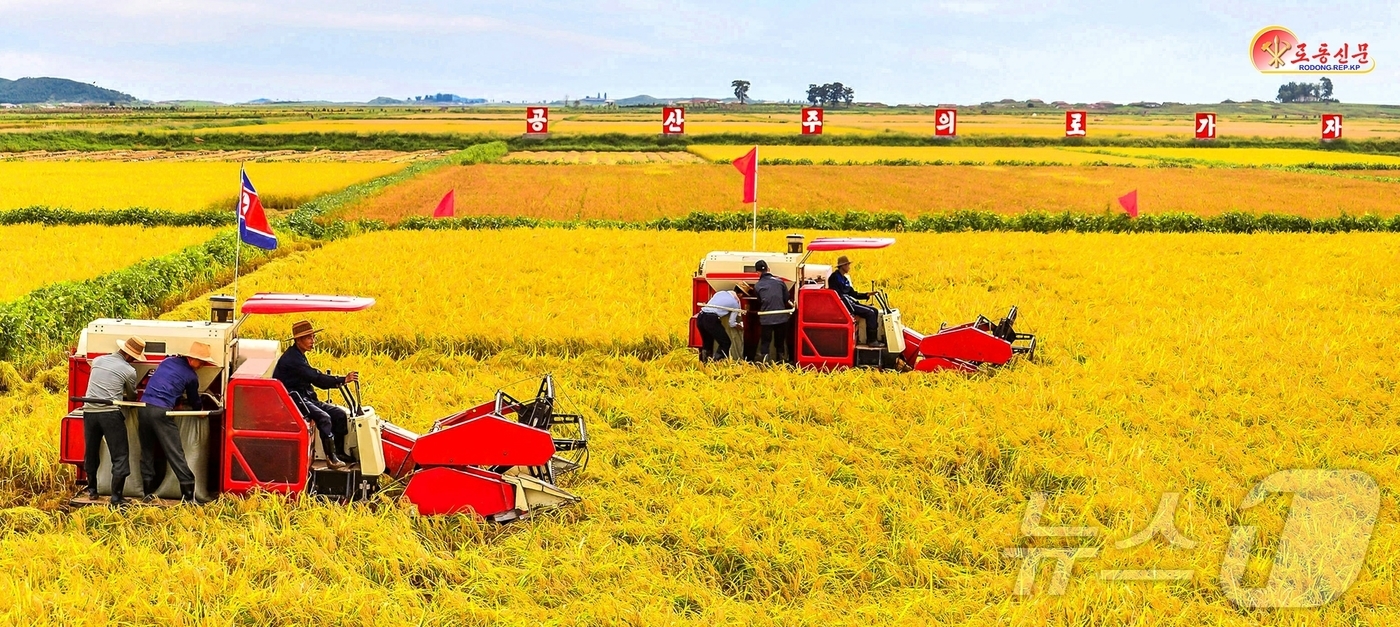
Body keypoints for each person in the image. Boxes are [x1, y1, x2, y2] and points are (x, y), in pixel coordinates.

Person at [273, 320, 358, 469]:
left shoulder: (299, 355)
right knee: (324, 418)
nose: (313, 341)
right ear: (298, 340)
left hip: (305, 397)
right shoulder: (292, 359)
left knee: (339, 415)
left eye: (313, 337)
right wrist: (342, 380)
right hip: (293, 399)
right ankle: (331, 459)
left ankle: (338, 452)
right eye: (309, 338)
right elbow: (316, 378)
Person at [139, 341, 215, 503]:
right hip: (161, 412)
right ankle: (189, 495)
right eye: (201, 361)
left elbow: (165, 383)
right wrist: (200, 412)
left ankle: (147, 492)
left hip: (144, 408)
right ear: (191, 358)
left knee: (147, 450)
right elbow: (195, 400)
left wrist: (176, 400)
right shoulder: (191, 376)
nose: (202, 365)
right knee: (175, 453)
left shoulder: (167, 361)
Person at [81, 336, 145, 506]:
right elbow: (132, 396)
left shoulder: (97, 360)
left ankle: (92, 491)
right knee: (120, 455)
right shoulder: (129, 370)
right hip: (110, 413)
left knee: (92, 451)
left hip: (89, 410)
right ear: (132, 356)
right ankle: (116, 497)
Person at [829, 255, 883, 346]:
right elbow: (838, 297)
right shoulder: (834, 278)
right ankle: (871, 341)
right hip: (844, 305)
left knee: (874, 310)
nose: (849, 267)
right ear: (843, 266)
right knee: (870, 313)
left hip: (849, 302)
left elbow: (853, 293)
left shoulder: (844, 279)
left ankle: (874, 338)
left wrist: (866, 294)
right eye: (847, 265)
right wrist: (851, 312)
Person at [697, 282, 752, 361]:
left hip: (701, 317)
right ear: (741, 295)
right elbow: (731, 323)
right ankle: (716, 362)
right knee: (725, 343)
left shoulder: (720, 293)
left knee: (707, 343)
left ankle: (704, 364)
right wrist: (739, 326)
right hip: (711, 319)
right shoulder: (735, 304)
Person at [754, 259, 793, 363]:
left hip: (766, 318)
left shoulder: (757, 286)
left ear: (757, 272)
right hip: (781, 317)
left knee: (765, 342)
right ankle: (781, 361)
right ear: (768, 269)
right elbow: (786, 298)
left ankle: (765, 362)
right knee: (780, 342)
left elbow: (760, 301)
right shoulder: (780, 282)